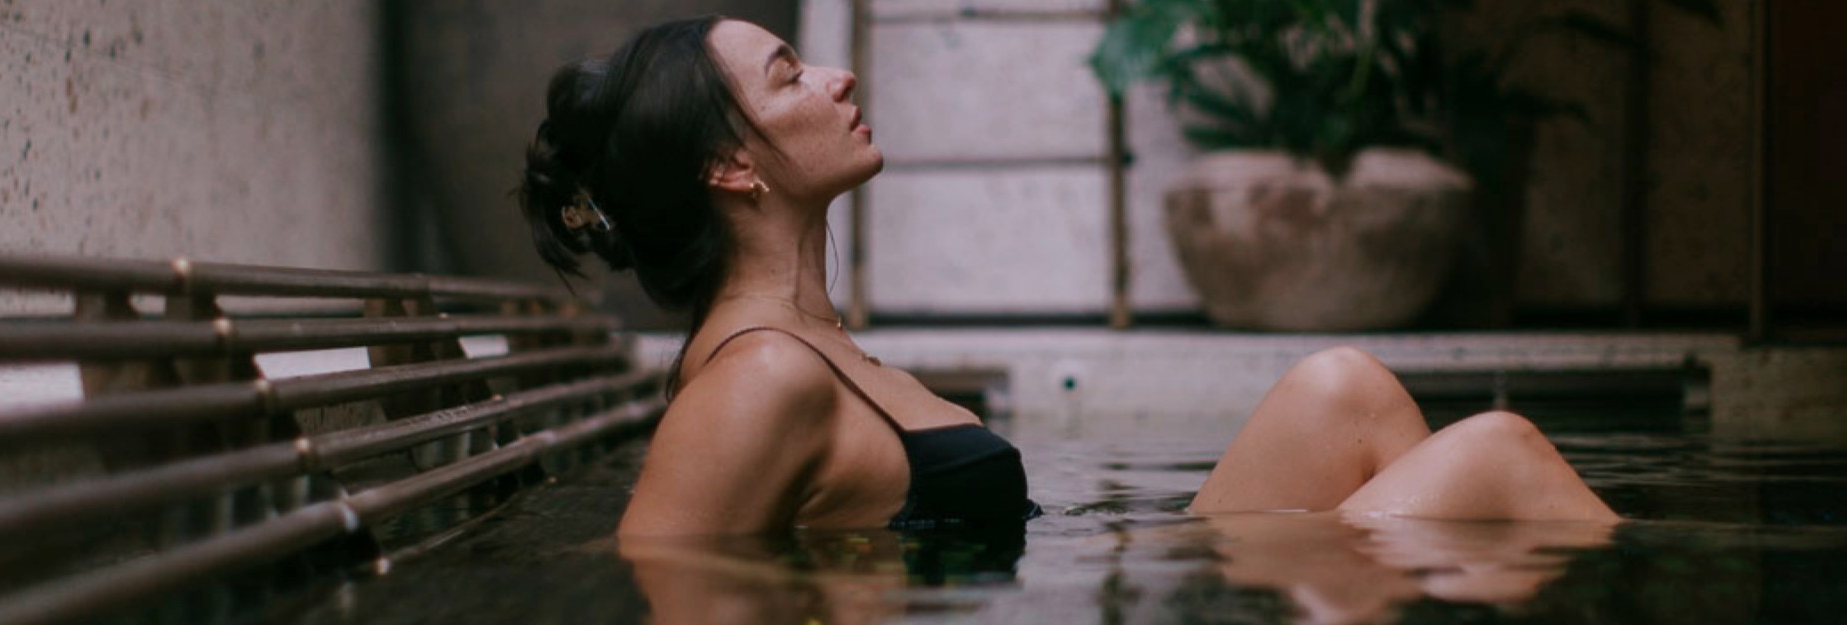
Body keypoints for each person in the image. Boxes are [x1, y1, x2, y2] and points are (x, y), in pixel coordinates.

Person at [517, 16, 1617, 537]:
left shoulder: (815, 342)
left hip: (1091, 575)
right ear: (729, 166)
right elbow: (667, 575)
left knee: (1346, 389)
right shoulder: (757, 379)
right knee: (1499, 454)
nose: (838, 77)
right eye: (790, 74)